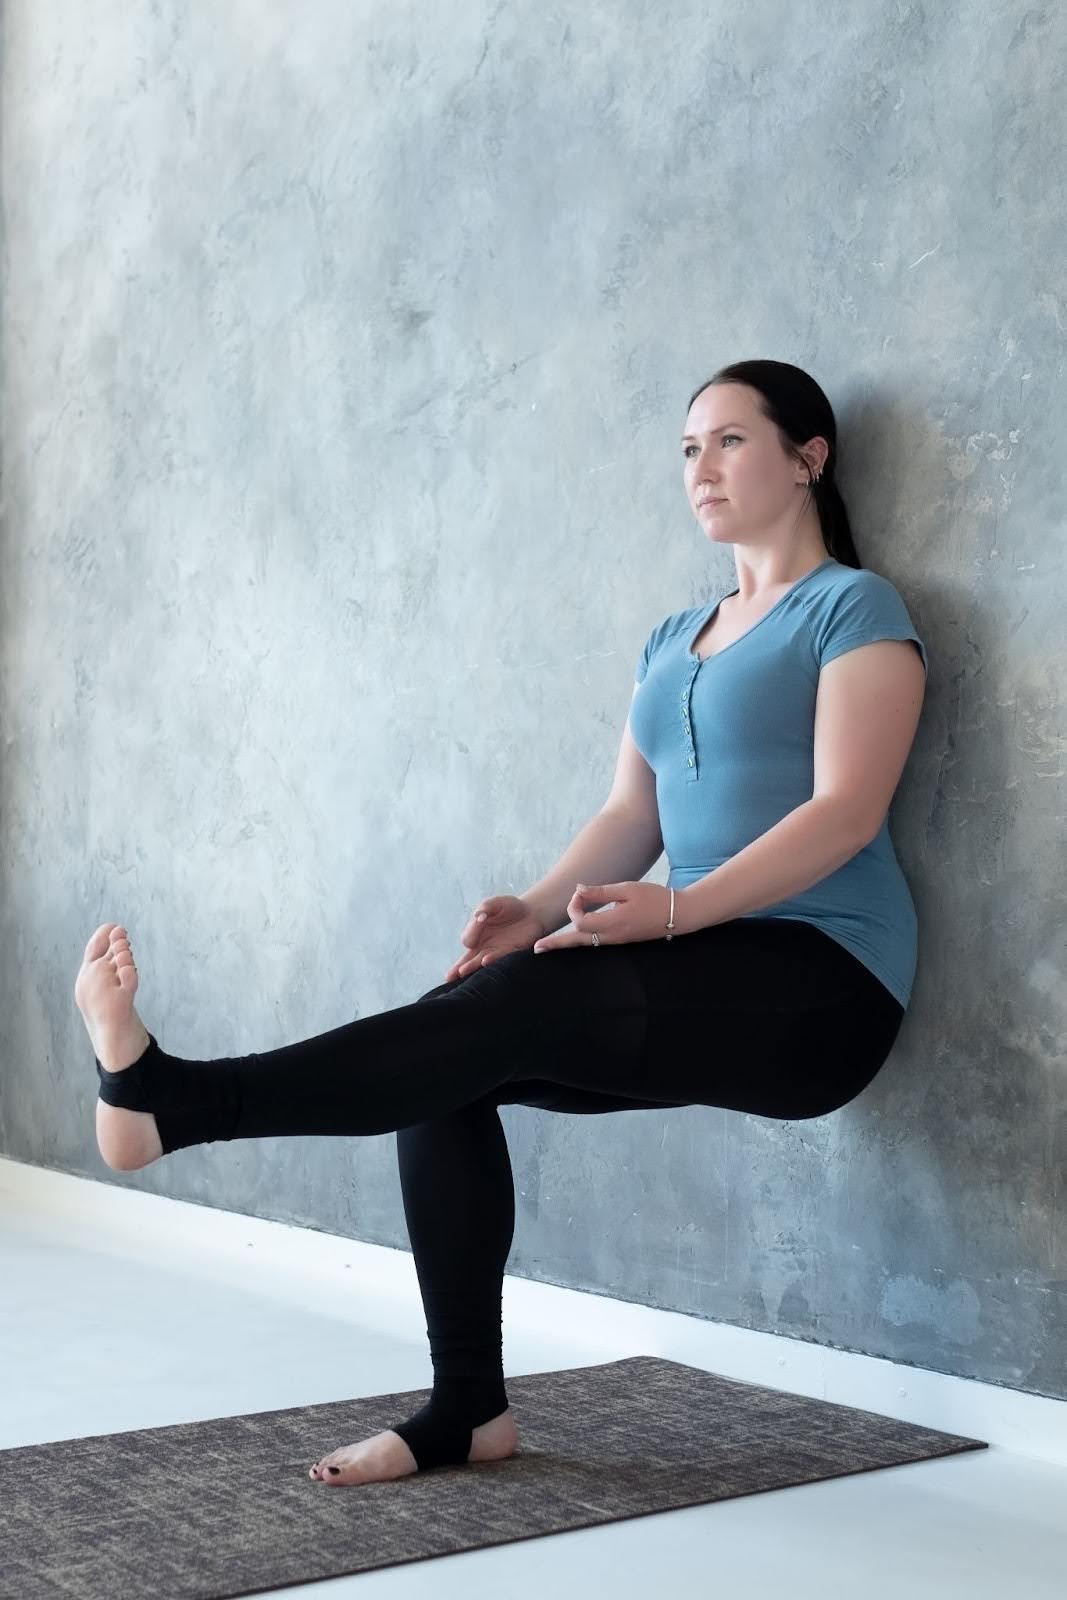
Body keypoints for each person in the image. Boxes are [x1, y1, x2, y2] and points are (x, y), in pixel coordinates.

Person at [74, 358, 928, 1488]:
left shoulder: (853, 608)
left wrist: (671, 910)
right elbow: (631, 813)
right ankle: (467, 1408)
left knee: (490, 1017)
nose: (700, 470)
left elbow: (843, 811)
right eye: (686, 449)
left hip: (825, 980)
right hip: (697, 957)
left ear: (807, 455)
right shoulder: (673, 636)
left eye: (727, 441)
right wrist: (532, 910)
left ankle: (182, 1101)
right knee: (458, 1033)